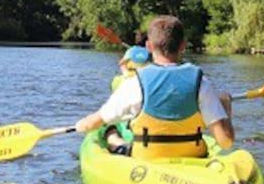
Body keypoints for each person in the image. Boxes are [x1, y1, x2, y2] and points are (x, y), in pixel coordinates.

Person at [76, 15, 234, 158]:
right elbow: (226, 142)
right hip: (194, 159)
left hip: (147, 159)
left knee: (110, 133)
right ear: (183, 46)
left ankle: (113, 137)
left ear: (149, 46)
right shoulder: (202, 82)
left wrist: (81, 125)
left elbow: (91, 124)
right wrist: (225, 108)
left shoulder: (135, 83)